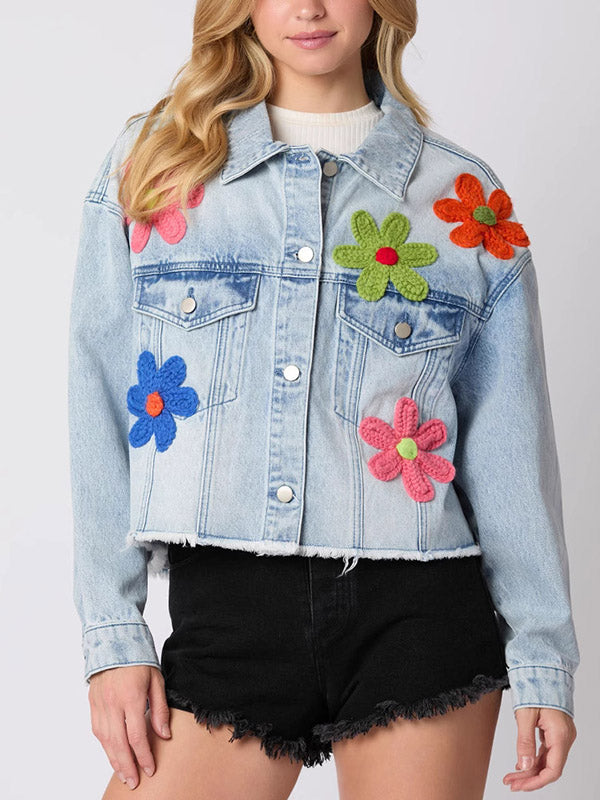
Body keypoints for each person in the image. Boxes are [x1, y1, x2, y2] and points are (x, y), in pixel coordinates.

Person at [68, 1, 580, 797]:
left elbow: (511, 450)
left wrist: (543, 657)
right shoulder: (156, 167)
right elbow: (99, 404)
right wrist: (113, 636)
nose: (308, 7)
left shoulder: (464, 201)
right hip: (228, 612)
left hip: (420, 612)